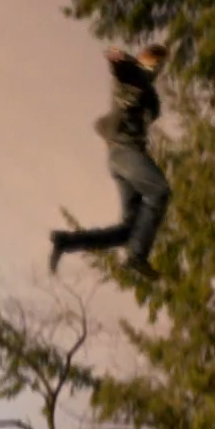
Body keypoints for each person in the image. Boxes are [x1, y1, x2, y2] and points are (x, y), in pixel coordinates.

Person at [49, 43, 171, 280]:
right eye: (157, 64)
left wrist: (110, 132)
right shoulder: (135, 74)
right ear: (148, 60)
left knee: (129, 229)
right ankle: (137, 256)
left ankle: (66, 241)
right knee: (159, 191)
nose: (158, 70)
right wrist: (119, 58)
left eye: (161, 66)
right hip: (127, 154)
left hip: (120, 158)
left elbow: (106, 122)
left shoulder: (147, 92)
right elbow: (124, 69)